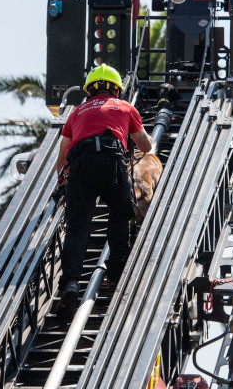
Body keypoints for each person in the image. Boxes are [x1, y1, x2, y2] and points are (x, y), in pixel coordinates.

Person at [54, 63, 153, 319]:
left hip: (80, 165)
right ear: (117, 90)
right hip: (112, 162)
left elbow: (63, 152)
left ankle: (72, 283)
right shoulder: (124, 107)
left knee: (77, 226)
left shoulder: (76, 113)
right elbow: (145, 144)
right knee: (121, 213)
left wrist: (62, 181)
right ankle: (116, 273)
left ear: (89, 91)